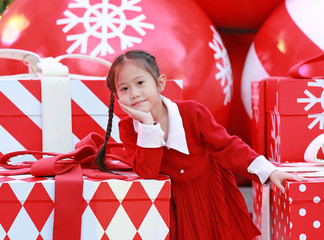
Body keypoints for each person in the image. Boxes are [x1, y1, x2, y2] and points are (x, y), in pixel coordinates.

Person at [96, 50, 304, 240]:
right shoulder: (129, 128)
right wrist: (148, 126)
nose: (134, 93)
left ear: (160, 83)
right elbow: (148, 171)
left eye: (140, 83)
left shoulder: (193, 112)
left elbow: (227, 146)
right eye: (124, 88)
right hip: (174, 203)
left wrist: (268, 171)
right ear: (117, 97)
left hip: (210, 193)